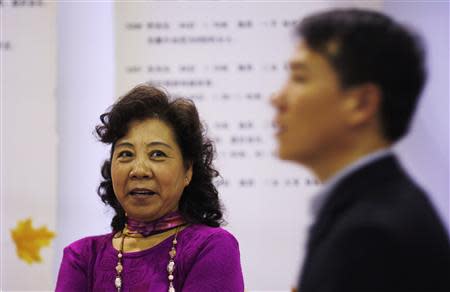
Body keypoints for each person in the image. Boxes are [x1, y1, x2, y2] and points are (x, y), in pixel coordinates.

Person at [271, 8, 450, 292]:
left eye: (300, 78)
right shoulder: (375, 208)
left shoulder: (370, 234)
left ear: (362, 103)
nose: (277, 98)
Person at [56, 85, 244, 291]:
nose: (139, 170)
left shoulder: (211, 247)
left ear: (188, 170)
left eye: (157, 154)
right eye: (126, 154)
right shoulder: (82, 257)